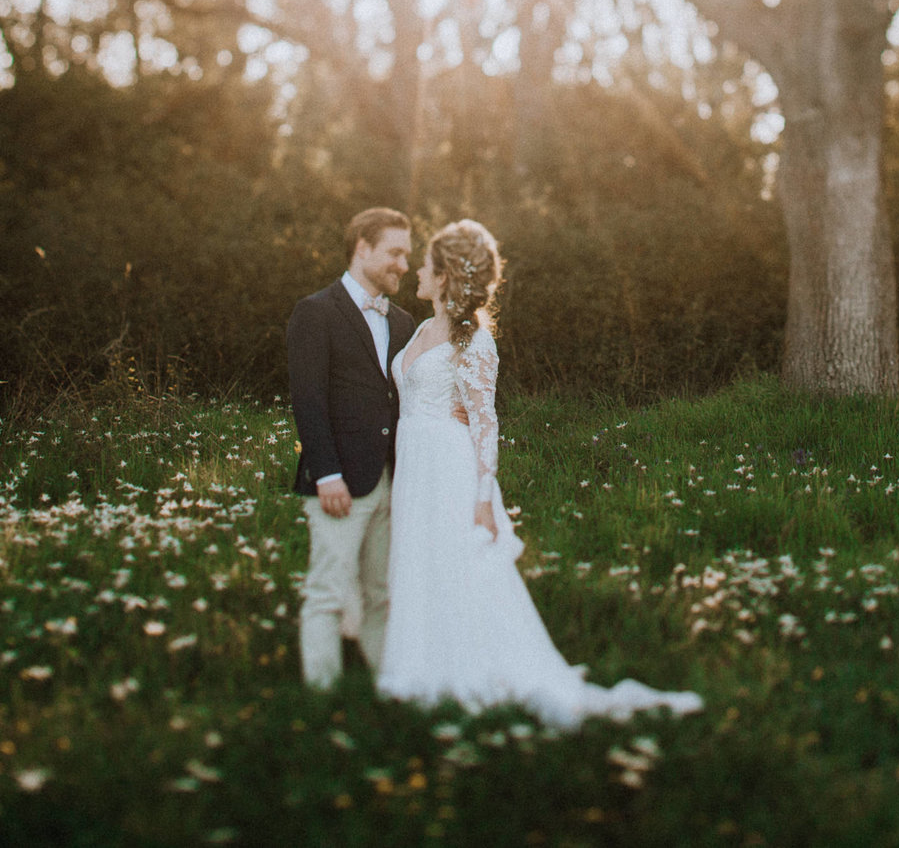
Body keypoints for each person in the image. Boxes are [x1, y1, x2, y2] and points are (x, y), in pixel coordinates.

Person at [376, 219, 703, 729]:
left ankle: (471, 670)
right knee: (422, 560)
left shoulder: (473, 340)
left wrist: (484, 499)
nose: (417, 268)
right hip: (415, 464)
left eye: (426, 263)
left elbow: (485, 423)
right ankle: (422, 664)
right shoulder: (422, 328)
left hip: (449, 466)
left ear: (443, 276)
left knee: (459, 563)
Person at [287, 207, 417, 690]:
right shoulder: (315, 312)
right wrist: (325, 475)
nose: (404, 264)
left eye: (407, 254)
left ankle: (388, 687)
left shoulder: (404, 322)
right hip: (339, 481)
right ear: (362, 247)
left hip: (391, 479)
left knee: (381, 593)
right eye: (395, 253)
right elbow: (309, 401)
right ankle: (320, 699)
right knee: (326, 590)